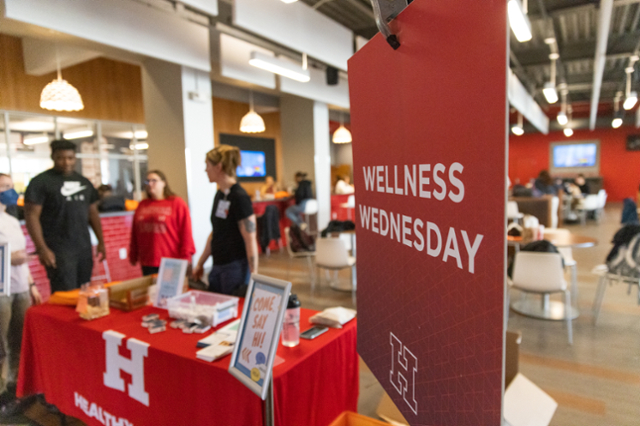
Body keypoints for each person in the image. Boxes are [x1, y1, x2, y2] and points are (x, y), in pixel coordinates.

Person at [24, 139, 106, 293]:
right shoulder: (41, 182)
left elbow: (93, 213)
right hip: (58, 250)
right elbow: (31, 216)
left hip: (83, 247)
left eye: (70, 158)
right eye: (61, 158)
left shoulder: (84, 182)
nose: (66, 162)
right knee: (65, 295)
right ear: (53, 157)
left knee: (85, 293)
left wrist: (101, 241)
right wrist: (42, 248)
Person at [193, 145, 258, 296]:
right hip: (218, 266)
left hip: (234, 268)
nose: (205, 170)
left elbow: (250, 238)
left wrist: (254, 273)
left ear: (218, 167)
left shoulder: (239, 197)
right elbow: (216, 231)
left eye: (207, 165)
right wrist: (201, 263)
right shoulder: (220, 195)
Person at [0, 173, 42, 410]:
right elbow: (10, 257)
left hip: (19, 288)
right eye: (4, 187)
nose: (10, 191)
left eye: (10, 186)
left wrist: (32, 283)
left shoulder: (12, 221)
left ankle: (15, 386)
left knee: (19, 339)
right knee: (1, 345)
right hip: (1, 291)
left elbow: (22, 258)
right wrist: (8, 261)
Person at [129, 170, 196, 276]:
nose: (150, 184)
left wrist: (186, 256)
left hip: (171, 260)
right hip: (147, 261)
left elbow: (186, 233)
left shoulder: (176, 203)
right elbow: (135, 233)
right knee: (151, 291)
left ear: (164, 183)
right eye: (148, 181)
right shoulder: (142, 205)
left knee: (170, 292)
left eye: (154, 180)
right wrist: (133, 254)